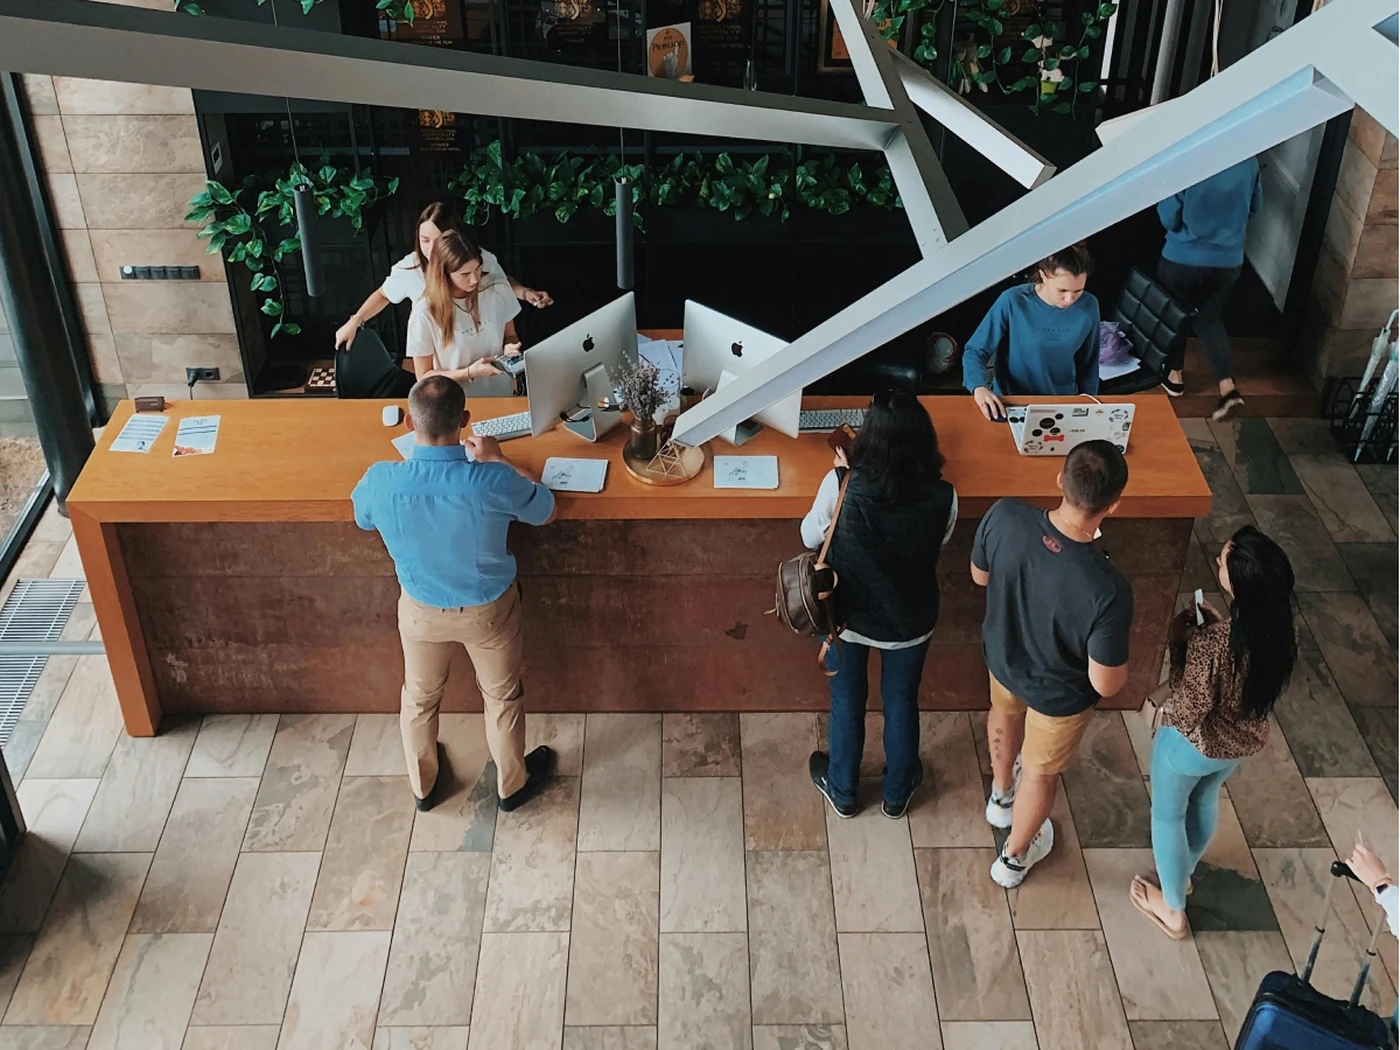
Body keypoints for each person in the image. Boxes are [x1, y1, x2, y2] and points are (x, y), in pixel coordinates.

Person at [351, 375, 557, 813]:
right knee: (501, 697)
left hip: (422, 611)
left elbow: (363, 519)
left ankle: (424, 787)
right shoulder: (490, 480)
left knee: (419, 697)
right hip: (488, 611)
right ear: (465, 420)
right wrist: (499, 459)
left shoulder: (382, 479)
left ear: (409, 422)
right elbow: (544, 509)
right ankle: (511, 785)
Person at [972, 439, 1133, 888]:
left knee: (1003, 713)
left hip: (1003, 657)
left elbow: (978, 575)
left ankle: (1000, 796)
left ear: (1059, 479)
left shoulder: (1005, 515)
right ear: (1114, 505)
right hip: (1058, 695)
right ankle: (1013, 860)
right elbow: (1106, 683)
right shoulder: (1108, 588)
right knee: (1040, 773)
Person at [1130, 526, 1297, 939]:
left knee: (1167, 815)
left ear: (1238, 582)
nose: (1218, 563)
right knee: (1204, 799)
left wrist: (1182, 645)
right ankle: (1182, 873)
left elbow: (1187, 709)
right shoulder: (1280, 633)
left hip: (1192, 746)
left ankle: (1172, 909)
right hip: (1238, 744)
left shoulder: (1216, 645)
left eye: (1222, 562)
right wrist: (1220, 630)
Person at [801, 392, 959, 819]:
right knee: (902, 702)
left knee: (848, 701)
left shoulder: (841, 484)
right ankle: (897, 791)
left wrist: (841, 481)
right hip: (909, 620)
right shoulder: (946, 495)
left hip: (845, 616)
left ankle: (844, 791)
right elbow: (937, 542)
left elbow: (809, 537)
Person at [334, 201, 552, 351]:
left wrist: (525, 293)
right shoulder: (410, 269)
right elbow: (383, 294)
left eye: (438, 241)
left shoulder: (478, 259)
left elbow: (499, 281)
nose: (430, 248)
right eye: (424, 240)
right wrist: (356, 320)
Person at [1156, 158, 1262, 420]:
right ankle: (1227, 386)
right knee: (1208, 317)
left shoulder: (1189, 160)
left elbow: (1168, 217)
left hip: (1182, 257)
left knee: (1176, 315)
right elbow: (1255, 208)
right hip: (1228, 261)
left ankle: (1175, 376)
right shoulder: (1249, 161)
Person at [962, 242, 1101, 422]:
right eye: (1062, 290)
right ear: (1043, 276)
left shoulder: (1089, 306)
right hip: (1010, 403)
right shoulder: (1013, 301)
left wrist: (1088, 406)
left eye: (1078, 291)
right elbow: (975, 351)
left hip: (1062, 403)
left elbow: (1089, 364)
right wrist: (979, 387)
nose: (1069, 300)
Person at [406, 230, 522, 397]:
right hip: (453, 401)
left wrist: (510, 348)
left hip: (500, 394)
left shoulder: (497, 287)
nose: (474, 279)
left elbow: (510, 336)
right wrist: (469, 372)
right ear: (444, 274)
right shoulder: (424, 311)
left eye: (477, 269)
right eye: (464, 274)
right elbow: (423, 377)